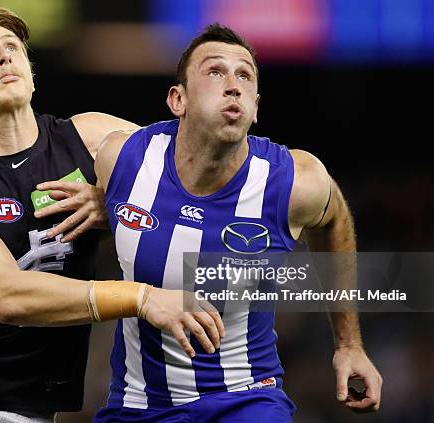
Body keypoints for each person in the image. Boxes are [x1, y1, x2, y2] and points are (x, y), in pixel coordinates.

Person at [0, 8, 225, 423]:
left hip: (33, 413)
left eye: (13, 48)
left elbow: (203, 181)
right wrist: (141, 298)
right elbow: (6, 296)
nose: (5, 58)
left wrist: (114, 204)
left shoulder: (93, 139)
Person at [94, 24, 383, 422]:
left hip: (245, 401)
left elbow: (335, 220)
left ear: (256, 106)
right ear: (178, 99)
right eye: (215, 72)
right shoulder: (120, 158)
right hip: (137, 406)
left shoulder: (294, 181)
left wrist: (349, 344)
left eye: (244, 75)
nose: (233, 86)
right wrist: (95, 201)